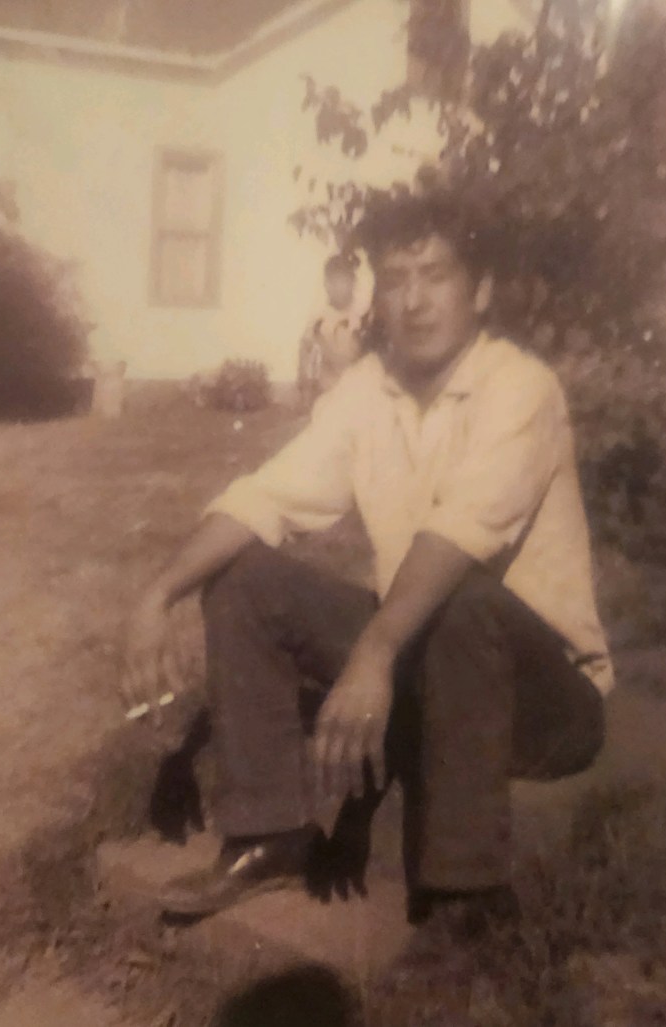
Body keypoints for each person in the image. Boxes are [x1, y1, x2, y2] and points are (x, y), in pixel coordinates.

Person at [121, 190, 612, 923]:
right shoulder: (366, 389)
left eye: (435, 274)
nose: (412, 301)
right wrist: (156, 595)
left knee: (461, 594)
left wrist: (375, 653)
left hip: (545, 699)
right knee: (245, 577)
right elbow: (268, 496)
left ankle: (461, 889)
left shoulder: (520, 388)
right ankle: (268, 835)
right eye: (395, 278)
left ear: (479, 290)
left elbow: (459, 535)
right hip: (426, 658)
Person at [296, 253, 364, 410]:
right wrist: (306, 388)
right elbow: (306, 354)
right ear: (327, 285)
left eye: (345, 281)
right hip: (328, 395)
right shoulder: (319, 320)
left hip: (358, 397)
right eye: (334, 282)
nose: (340, 287)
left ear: (353, 283)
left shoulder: (360, 319)